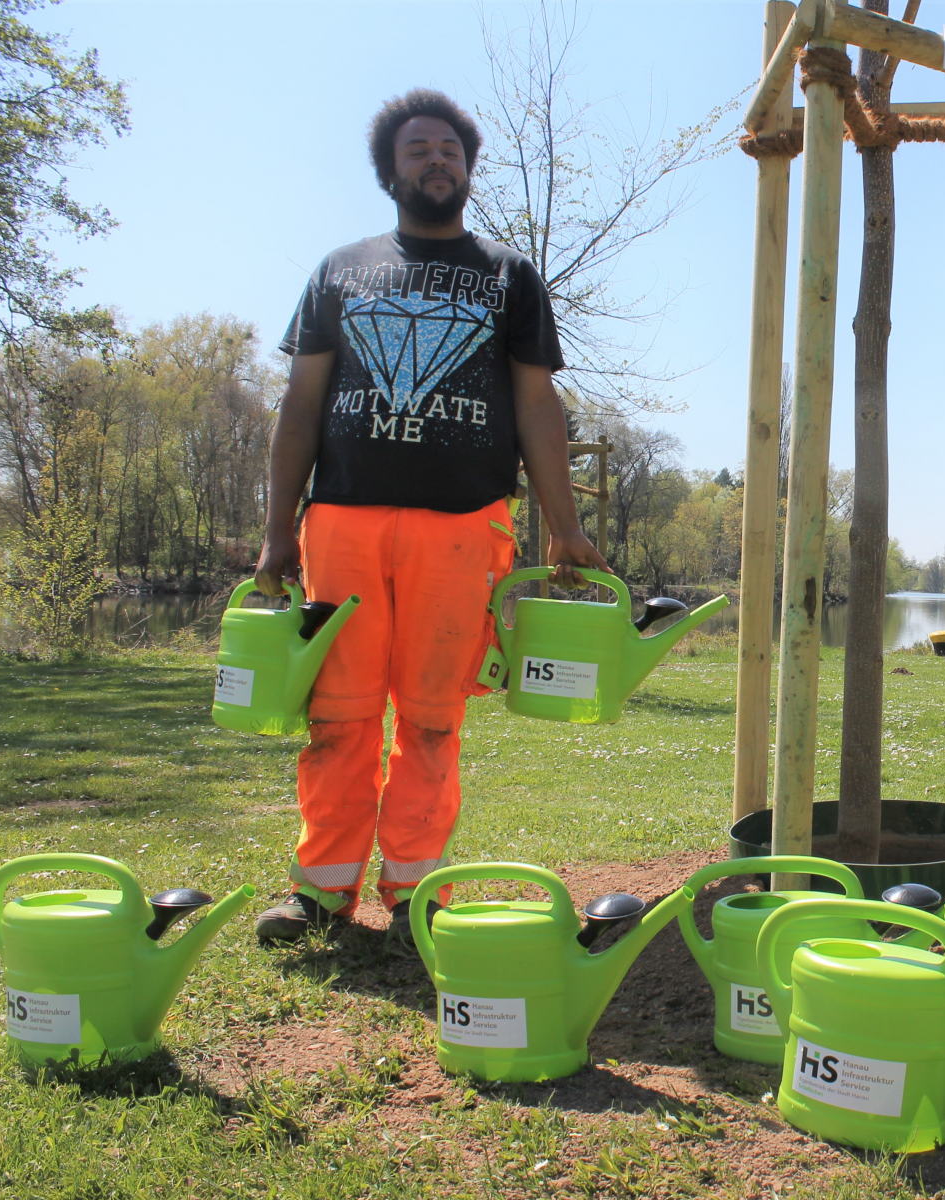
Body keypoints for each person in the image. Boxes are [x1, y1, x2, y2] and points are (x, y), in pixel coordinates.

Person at [251, 89, 607, 949]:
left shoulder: (508, 275)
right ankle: (321, 894)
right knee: (337, 716)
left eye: (449, 149)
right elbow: (300, 407)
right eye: (418, 150)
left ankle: (414, 892)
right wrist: (273, 530)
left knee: (432, 716)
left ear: (467, 169)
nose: (436, 160)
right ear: (389, 171)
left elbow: (535, 405)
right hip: (340, 522)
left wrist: (563, 526)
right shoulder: (339, 269)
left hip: (462, 528)